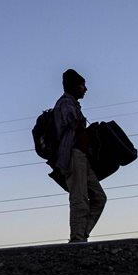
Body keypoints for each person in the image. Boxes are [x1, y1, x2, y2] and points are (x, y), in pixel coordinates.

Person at [53, 69, 107, 242]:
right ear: (73, 86)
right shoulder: (65, 104)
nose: (85, 89)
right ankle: (77, 241)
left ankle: (81, 236)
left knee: (99, 197)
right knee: (79, 199)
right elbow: (74, 126)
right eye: (82, 85)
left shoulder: (73, 104)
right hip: (72, 155)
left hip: (82, 157)